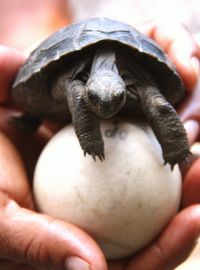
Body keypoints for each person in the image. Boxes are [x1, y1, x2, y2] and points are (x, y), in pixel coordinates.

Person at [0, 22, 199, 270]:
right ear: (89, 91)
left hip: (125, 96)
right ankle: (32, 116)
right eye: (94, 98)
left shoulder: (141, 87)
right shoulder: (77, 88)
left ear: (123, 91)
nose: (106, 107)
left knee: (155, 102)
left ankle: (177, 151)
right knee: (77, 90)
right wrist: (90, 138)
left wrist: (177, 146)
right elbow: (76, 89)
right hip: (60, 93)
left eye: (116, 99)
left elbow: (157, 103)